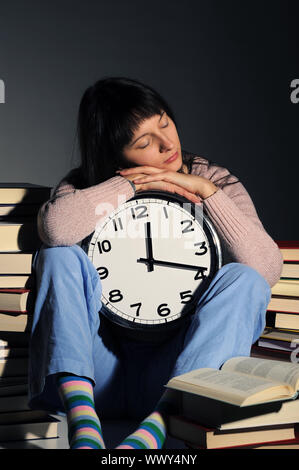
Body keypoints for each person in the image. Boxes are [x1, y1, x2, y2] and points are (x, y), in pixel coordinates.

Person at [28, 76, 283, 450]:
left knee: (244, 278)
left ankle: (159, 425)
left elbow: (266, 268)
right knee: (57, 255)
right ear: (116, 155)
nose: (167, 145)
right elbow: (54, 228)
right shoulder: (86, 186)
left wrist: (207, 193)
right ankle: (84, 428)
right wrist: (131, 184)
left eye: (164, 123)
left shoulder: (213, 179)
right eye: (144, 142)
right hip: (98, 374)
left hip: (176, 377)